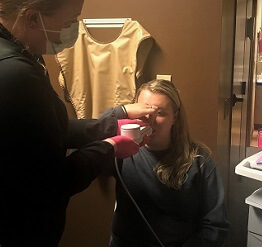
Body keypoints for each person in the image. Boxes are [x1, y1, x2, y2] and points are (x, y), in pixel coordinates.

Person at [0, 0, 157, 246]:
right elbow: (53, 182)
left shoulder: (20, 54)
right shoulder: (17, 75)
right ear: (32, 18)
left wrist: (118, 115)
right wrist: (111, 147)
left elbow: (49, 130)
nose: (72, 28)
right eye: (70, 21)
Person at [109, 79, 230, 247]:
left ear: (174, 117)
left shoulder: (199, 161)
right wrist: (118, 114)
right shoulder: (122, 152)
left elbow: (215, 225)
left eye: (159, 113)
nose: (149, 119)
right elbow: (80, 152)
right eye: (143, 111)